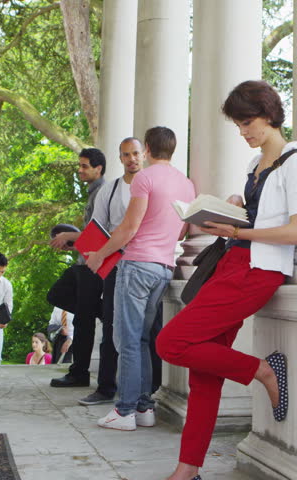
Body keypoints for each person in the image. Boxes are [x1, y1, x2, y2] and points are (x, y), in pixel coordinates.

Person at [154, 80, 297, 480]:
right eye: (239, 126)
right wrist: (236, 207)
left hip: (259, 271)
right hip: (230, 264)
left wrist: (241, 233)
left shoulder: (296, 160)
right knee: (203, 375)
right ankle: (186, 471)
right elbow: (260, 213)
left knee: (171, 342)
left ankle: (260, 370)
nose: (243, 132)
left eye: (247, 123)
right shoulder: (252, 165)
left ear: (270, 114)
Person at [85, 126, 195, 432]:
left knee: (127, 340)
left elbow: (128, 228)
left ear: (146, 149)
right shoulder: (186, 184)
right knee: (144, 339)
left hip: (136, 265)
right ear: (172, 149)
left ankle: (124, 411)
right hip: (164, 267)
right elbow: (183, 230)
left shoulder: (145, 178)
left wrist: (98, 255)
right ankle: (145, 407)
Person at [79, 137, 164, 406]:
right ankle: (106, 387)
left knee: (151, 331)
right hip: (116, 266)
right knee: (112, 328)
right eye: (126, 155)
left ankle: (150, 392)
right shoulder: (111, 190)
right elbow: (96, 228)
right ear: (120, 158)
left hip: (149, 264)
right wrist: (100, 258)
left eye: (136, 153)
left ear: (145, 154)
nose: (132, 159)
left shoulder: (154, 186)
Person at [49, 148, 107, 387]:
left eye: (84, 166)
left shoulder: (102, 192)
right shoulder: (94, 192)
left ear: (98, 169)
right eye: (80, 165)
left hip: (93, 267)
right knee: (57, 294)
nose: (80, 170)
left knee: (82, 321)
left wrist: (68, 234)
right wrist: (75, 245)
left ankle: (79, 373)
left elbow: (102, 232)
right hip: (84, 261)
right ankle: (102, 311)